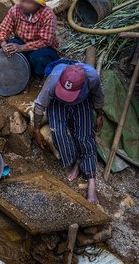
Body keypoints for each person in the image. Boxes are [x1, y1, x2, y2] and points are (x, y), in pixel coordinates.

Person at [33, 63, 104, 204]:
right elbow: (40, 105)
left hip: (82, 102)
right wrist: (36, 129)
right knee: (58, 132)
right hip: (57, 103)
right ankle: (76, 159)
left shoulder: (92, 77)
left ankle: (91, 180)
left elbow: (97, 96)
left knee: (85, 138)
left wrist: (99, 114)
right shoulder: (53, 79)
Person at [0, 0, 59, 76]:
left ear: (38, 4)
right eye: (22, 0)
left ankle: (38, 75)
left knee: (38, 58)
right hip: (21, 42)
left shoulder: (47, 14)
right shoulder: (16, 9)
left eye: (28, 2)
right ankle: (21, 70)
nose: (23, 4)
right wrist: (4, 44)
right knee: (10, 45)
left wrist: (21, 48)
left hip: (42, 48)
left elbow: (46, 41)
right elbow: (4, 28)